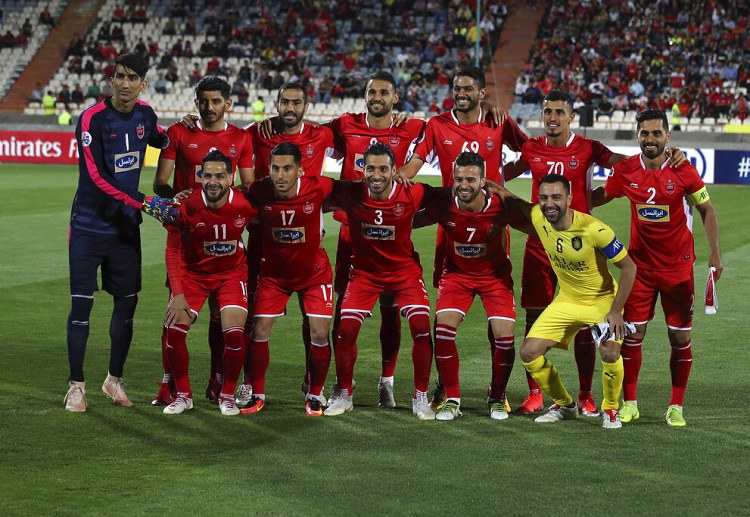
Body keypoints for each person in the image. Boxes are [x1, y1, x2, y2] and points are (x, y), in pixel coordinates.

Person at [502, 90, 685, 415]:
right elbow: (505, 172)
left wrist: (668, 155)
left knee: (586, 321)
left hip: (582, 250)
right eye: (548, 112)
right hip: (540, 243)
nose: (553, 118)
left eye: (560, 112)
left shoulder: (588, 148)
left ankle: (586, 394)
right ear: (542, 116)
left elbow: (628, 164)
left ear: (572, 116)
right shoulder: (532, 147)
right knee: (533, 314)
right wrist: (475, 177)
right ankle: (535, 395)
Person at [397, 65, 527, 407]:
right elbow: (415, 163)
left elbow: (530, 154)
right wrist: (394, 179)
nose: (462, 93)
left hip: (491, 224)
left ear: (482, 93)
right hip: (450, 223)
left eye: (468, 88)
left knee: (497, 314)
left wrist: (502, 179)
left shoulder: (498, 121)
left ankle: (496, 390)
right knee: (447, 311)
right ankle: (444, 383)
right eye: (457, 88)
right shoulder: (437, 124)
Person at [593, 109, 722, 427]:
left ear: (667, 136)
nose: (650, 139)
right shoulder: (626, 171)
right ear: (637, 136)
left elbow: (705, 208)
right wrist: (568, 200)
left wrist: (715, 255)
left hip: (678, 271)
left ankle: (676, 406)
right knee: (633, 335)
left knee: (679, 339)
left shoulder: (683, 170)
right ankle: (630, 403)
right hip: (640, 270)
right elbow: (603, 195)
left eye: (656, 133)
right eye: (644, 133)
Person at [64, 53, 175, 412]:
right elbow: (96, 178)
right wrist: (144, 201)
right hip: (88, 226)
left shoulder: (145, 115)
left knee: (127, 306)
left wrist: (188, 127)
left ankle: (113, 380)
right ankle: (76, 385)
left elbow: (166, 141)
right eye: (120, 76)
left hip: (125, 230)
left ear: (144, 84)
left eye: (133, 78)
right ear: (111, 79)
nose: (125, 83)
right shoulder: (91, 118)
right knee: (81, 307)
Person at [499, 174, 637, 429]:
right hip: (567, 300)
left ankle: (611, 408)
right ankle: (565, 405)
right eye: (543, 197)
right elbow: (516, 203)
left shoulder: (595, 230)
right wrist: (497, 188)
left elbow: (629, 268)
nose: (549, 203)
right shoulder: (540, 217)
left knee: (609, 350)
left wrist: (616, 310)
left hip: (602, 301)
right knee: (529, 352)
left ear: (570, 199)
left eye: (556, 197)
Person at [323, 71, 426, 407]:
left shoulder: (409, 127)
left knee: (391, 309)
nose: (377, 96)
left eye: (384, 92)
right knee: (343, 307)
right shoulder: (345, 124)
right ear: (365, 95)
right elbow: (308, 137)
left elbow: (439, 131)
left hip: (390, 229)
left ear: (395, 97)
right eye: (372, 92)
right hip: (351, 231)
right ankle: (342, 383)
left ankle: (387, 381)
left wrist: (406, 174)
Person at [151, 76, 254, 406]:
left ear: (228, 104)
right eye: (204, 101)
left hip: (222, 233)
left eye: (216, 101)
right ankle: (169, 385)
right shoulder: (179, 132)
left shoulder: (241, 138)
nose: (210, 107)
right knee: (175, 313)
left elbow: (249, 189)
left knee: (219, 318)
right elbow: (160, 183)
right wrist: (176, 202)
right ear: (196, 102)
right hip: (187, 232)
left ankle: (217, 380)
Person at [420, 152, 528, 421]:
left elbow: (535, 219)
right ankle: (452, 399)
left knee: (504, 338)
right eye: (458, 179)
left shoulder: (501, 205)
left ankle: (496, 396)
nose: (463, 185)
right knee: (443, 330)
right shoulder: (443, 202)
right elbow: (408, 218)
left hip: (495, 278)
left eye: (471, 179)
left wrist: (509, 194)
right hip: (457, 276)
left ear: (483, 181)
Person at [160, 150, 257, 416]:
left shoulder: (245, 204)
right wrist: (177, 293)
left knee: (234, 333)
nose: (213, 181)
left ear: (231, 177)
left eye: (220, 176)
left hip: (231, 275)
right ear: (200, 176)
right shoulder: (185, 205)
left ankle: (226, 395)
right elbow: (172, 251)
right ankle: (183, 395)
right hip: (193, 276)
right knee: (174, 333)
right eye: (208, 175)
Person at [241, 143, 335, 417]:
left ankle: (315, 395)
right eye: (275, 169)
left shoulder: (319, 186)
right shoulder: (260, 190)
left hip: (314, 274)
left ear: (299, 170)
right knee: (259, 330)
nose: (280, 175)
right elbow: (232, 196)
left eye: (286, 169)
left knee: (319, 333)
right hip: (274, 275)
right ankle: (257, 394)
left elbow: (354, 191)